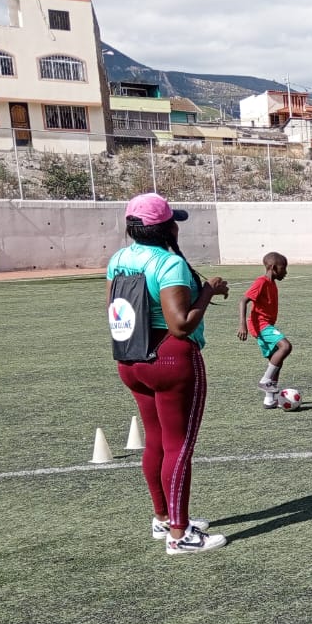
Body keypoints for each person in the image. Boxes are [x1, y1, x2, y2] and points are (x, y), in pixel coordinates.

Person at [107, 193, 229, 554]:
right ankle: (179, 535)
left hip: (131, 358)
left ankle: (163, 518)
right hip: (170, 360)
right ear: (166, 228)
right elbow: (181, 325)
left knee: (156, 442)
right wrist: (208, 292)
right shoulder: (169, 263)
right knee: (178, 446)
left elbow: (115, 310)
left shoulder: (118, 259)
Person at [238, 251, 292, 410]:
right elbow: (243, 301)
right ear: (274, 267)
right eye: (283, 268)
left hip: (266, 325)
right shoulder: (261, 282)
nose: (286, 272)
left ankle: (269, 400)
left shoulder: (272, 283)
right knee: (286, 346)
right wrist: (242, 324)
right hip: (260, 325)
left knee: (276, 361)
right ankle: (265, 381)